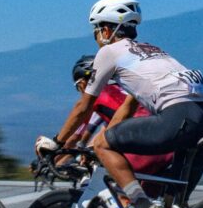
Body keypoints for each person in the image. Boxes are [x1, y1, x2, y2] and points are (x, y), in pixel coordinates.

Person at [36, 0, 203, 208]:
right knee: (174, 204)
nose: (97, 37)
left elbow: (83, 107)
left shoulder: (109, 52)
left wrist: (57, 143)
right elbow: (126, 108)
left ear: (106, 29)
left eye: (97, 31)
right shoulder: (153, 51)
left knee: (102, 144)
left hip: (178, 118)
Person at [66, 54, 175, 195]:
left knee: (118, 193)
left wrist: (51, 154)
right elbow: (106, 130)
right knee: (152, 207)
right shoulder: (125, 90)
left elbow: (72, 139)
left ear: (83, 83)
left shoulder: (96, 97)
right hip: (166, 147)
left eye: (78, 87)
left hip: (141, 150)